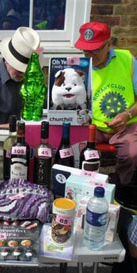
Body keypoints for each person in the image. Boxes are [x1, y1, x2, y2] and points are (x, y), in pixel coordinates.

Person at [74, 21, 137, 185]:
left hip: (126, 123)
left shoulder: (127, 60)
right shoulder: (79, 66)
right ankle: (81, 185)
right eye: (85, 50)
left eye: (94, 50)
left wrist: (126, 114)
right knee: (73, 150)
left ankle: (120, 185)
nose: (89, 56)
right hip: (90, 125)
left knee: (132, 154)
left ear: (108, 44)